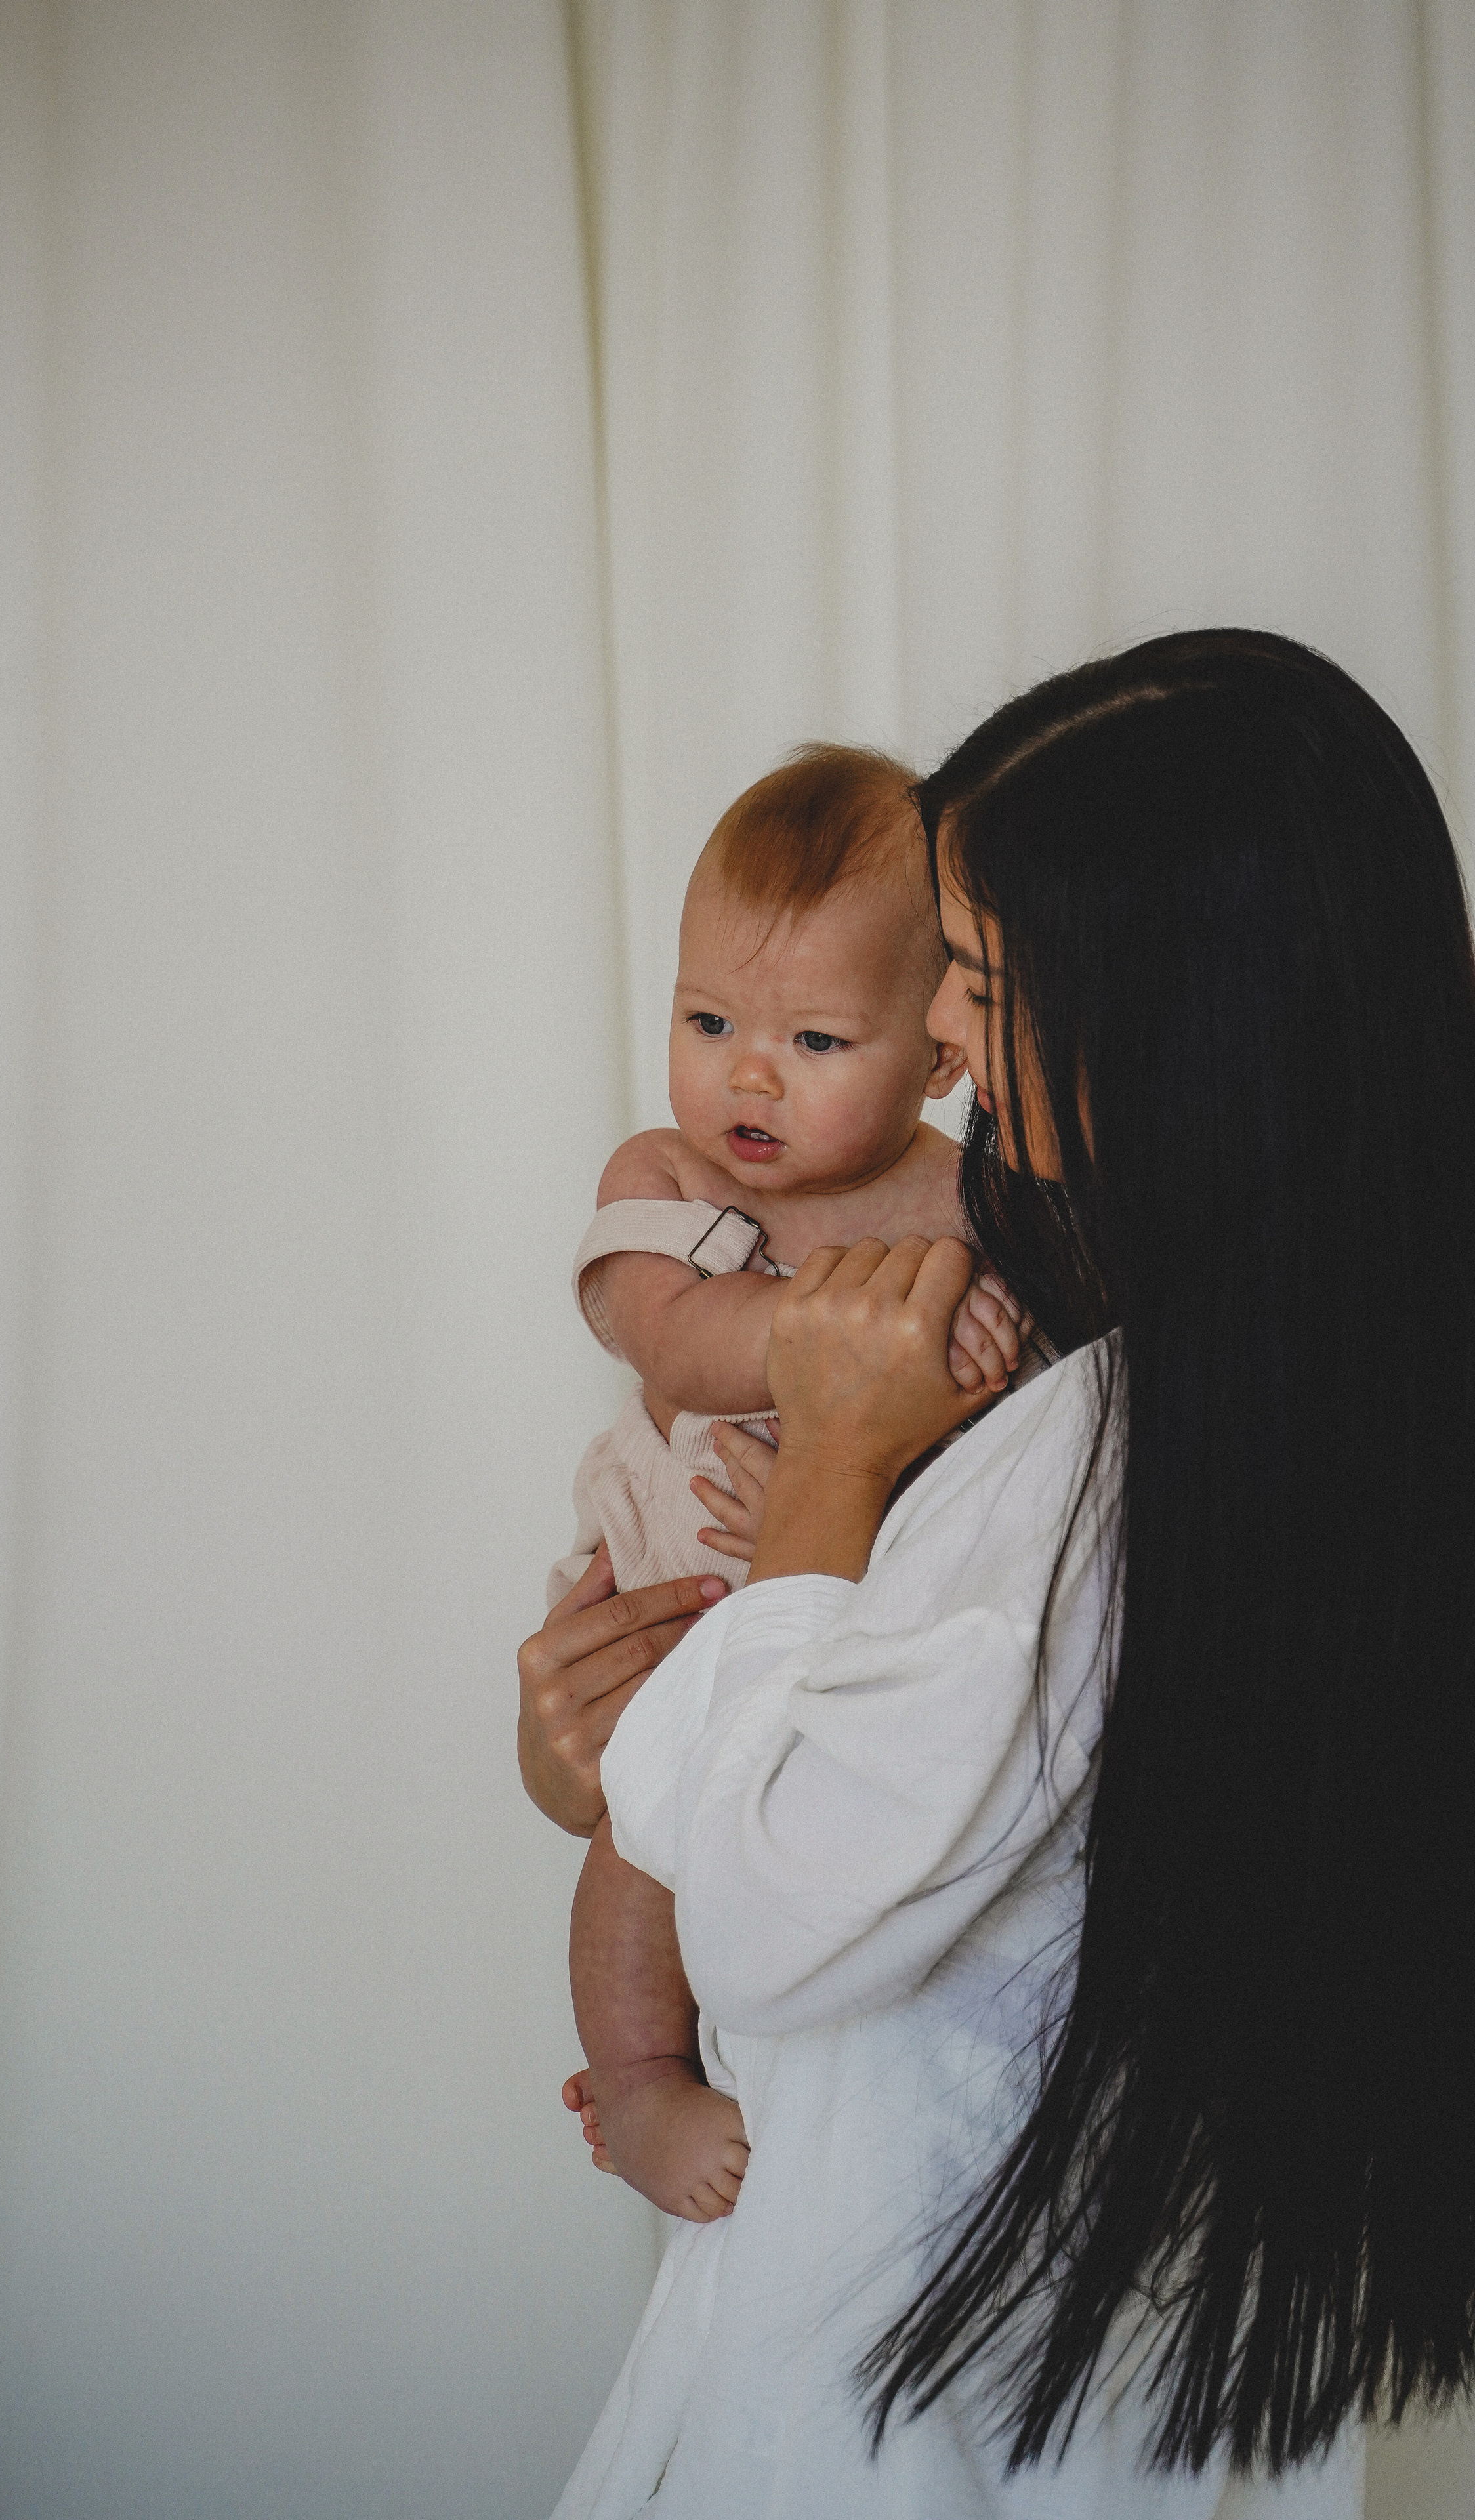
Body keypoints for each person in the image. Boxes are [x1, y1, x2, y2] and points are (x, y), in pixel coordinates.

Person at [518, 629, 1475, 2516]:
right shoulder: (1320, 1420)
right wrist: (603, 1758)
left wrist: (837, 1467)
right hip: (1065, 2376)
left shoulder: (1099, 1461)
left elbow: (776, 1917)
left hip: (910, 2397)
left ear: (1179, 1015)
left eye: (975, 977)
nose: (942, 1038)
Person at [551, 747, 1039, 2224]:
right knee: (645, 1839)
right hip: (679, 1590)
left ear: (939, 1054)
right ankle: (635, 2076)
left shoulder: (971, 1198)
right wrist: (860, 1333)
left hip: (851, 1584)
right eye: (709, 1020)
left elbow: (997, 1426)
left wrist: (984, 1343)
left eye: (816, 1040)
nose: (745, 1074)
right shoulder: (674, 1178)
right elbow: (678, 1341)